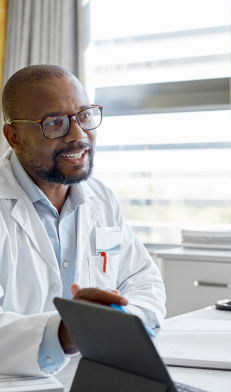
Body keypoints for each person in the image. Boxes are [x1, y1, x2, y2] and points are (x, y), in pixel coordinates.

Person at [0, 65, 166, 376]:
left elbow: (144, 282)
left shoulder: (100, 197)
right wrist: (64, 333)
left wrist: (117, 322)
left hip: (96, 372)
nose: (78, 136)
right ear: (15, 137)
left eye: (84, 116)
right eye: (54, 123)